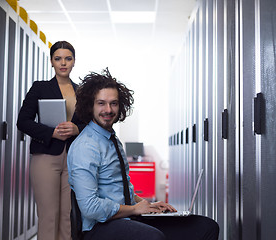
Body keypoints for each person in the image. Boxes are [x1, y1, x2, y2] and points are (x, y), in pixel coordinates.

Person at [67, 68, 219, 240]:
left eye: (113, 103)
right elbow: (90, 207)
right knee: (154, 237)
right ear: (90, 105)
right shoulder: (86, 146)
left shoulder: (111, 139)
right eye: (101, 103)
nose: (108, 109)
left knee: (205, 227)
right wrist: (134, 209)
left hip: (127, 217)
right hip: (99, 228)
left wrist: (147, 204)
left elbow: (119, 190)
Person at [17, 41, 85, 240]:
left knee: (67, 216)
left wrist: (76, 129)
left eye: (68, 58)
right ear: (51, 62)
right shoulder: (40, 88)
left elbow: (90, 125)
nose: (63, 63)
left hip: (73, 158)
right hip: (46, 156)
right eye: (58, 58)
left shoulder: (82, 92)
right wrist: (51, 133)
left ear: (74, 62)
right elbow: (23, 121)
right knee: (49, 215)